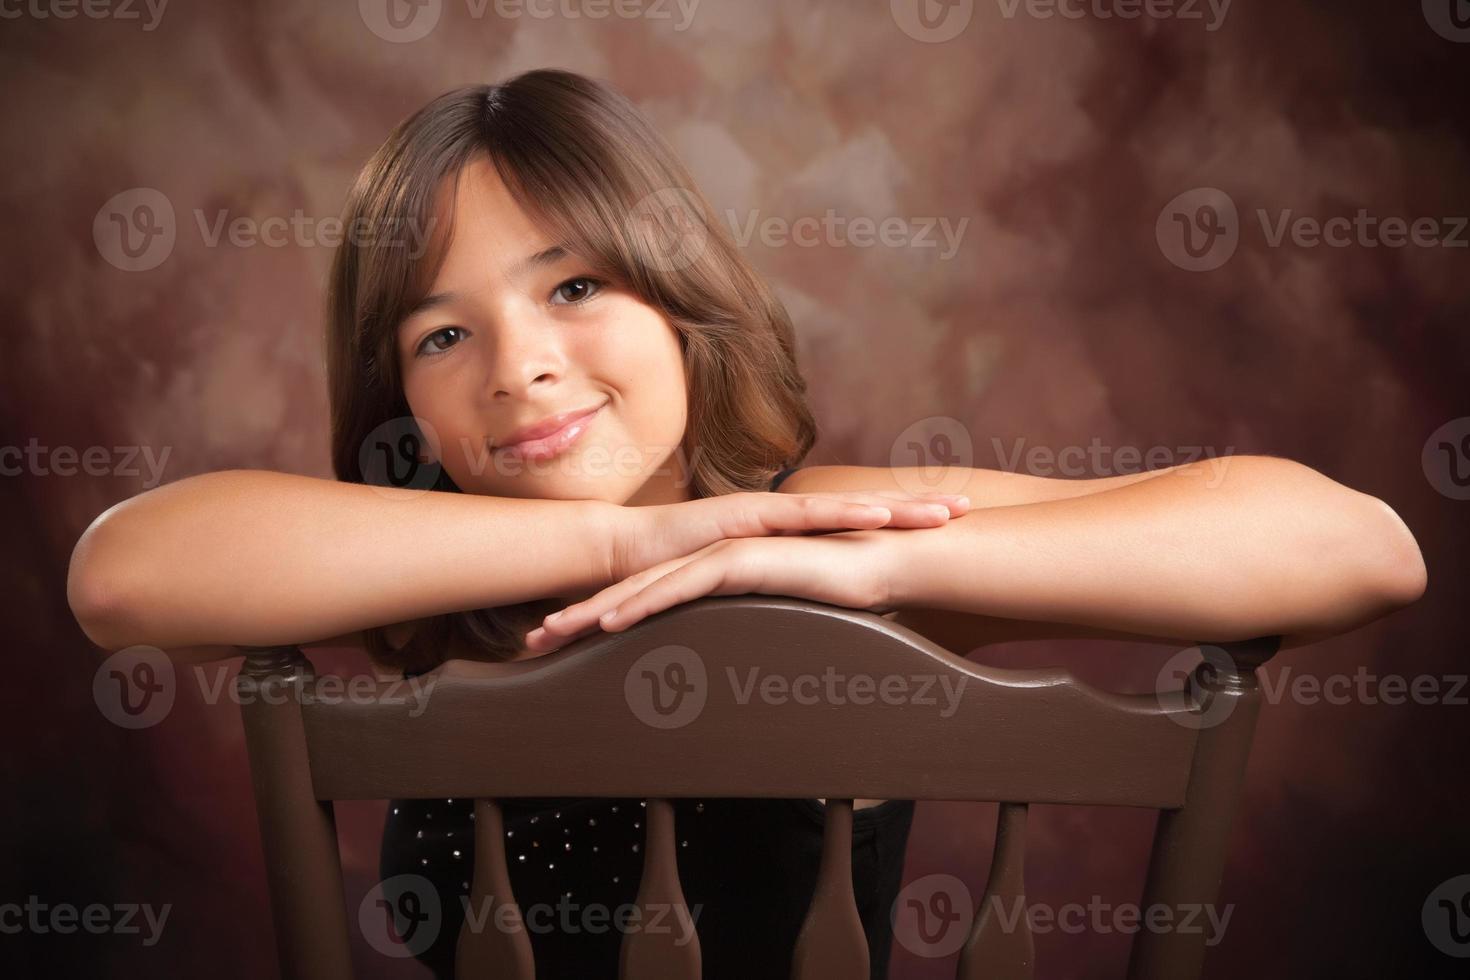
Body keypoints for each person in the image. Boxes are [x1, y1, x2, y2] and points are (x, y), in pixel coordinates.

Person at [67, 67, 1427, 979]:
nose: (516, 364)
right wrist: (623, 543)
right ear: (400, 398)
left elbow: (1356, 544)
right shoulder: (425, 570)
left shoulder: (815, 536)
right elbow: (125, 576)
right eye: (439, 331)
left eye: (576, 285)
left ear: (679, 296)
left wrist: (874, 565)